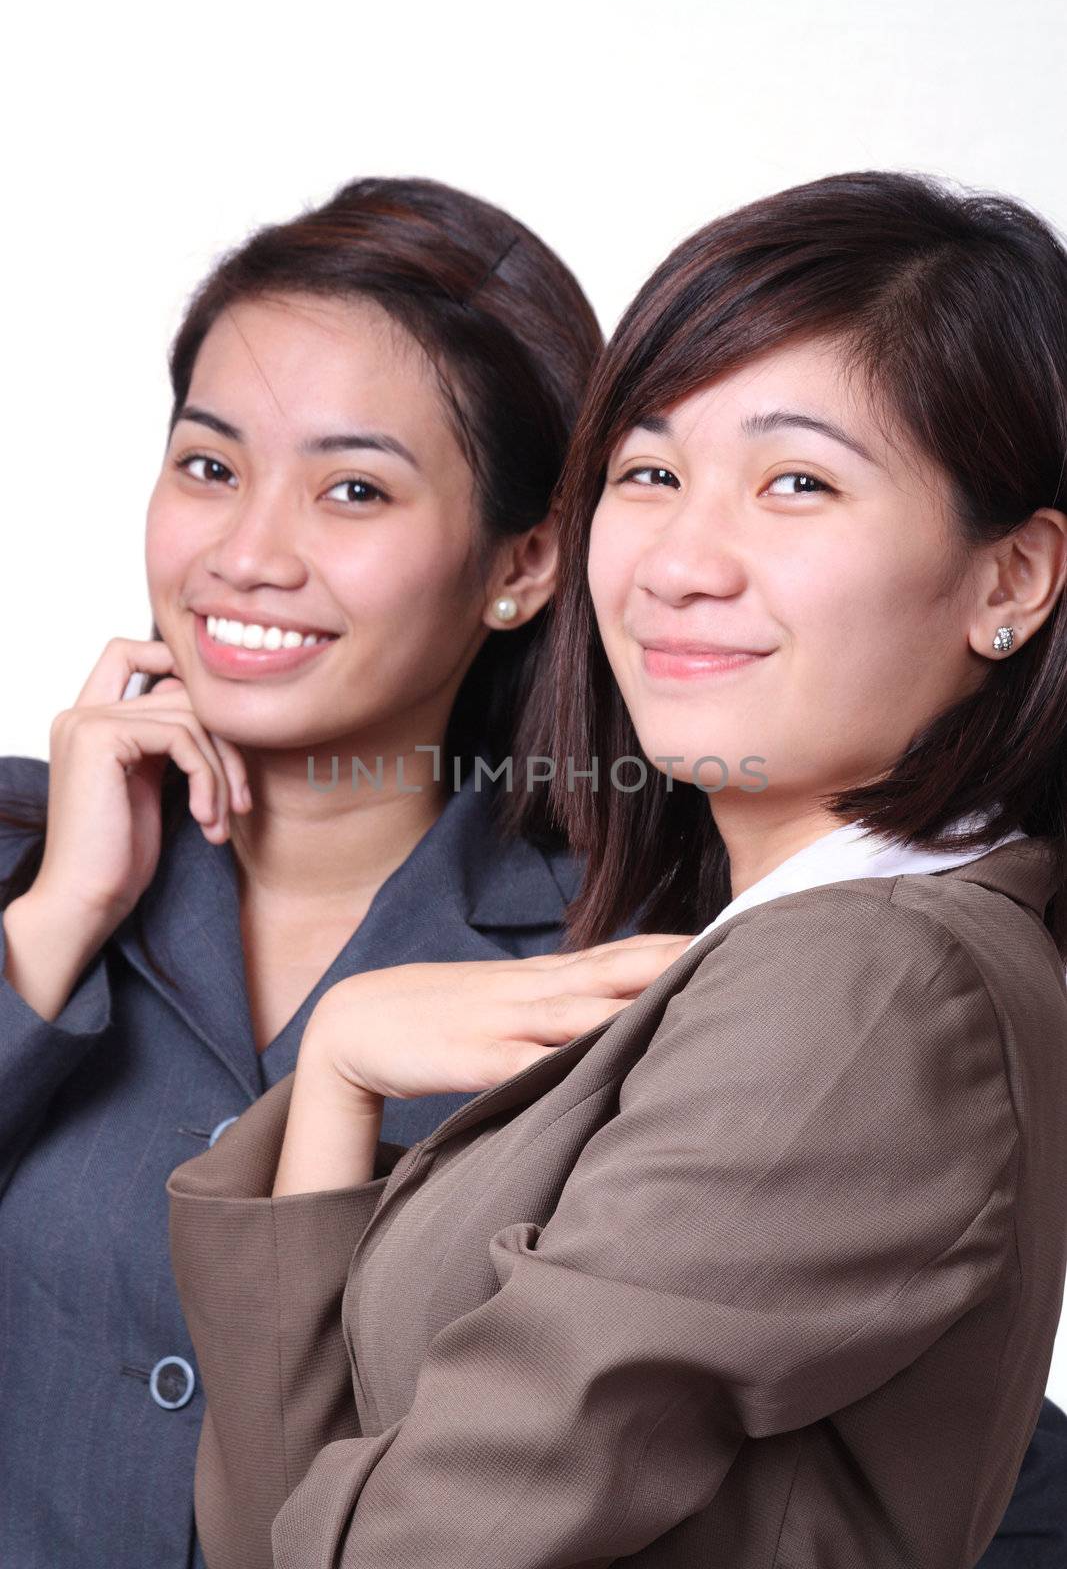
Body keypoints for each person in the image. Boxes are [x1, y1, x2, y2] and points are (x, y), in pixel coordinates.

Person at [166, 169, 1067, 1567]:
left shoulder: (875, 982)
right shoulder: (791, 950)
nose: (679, 562)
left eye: (798, 482)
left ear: (1010, 581)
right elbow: (298, 1519)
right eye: (648, 473)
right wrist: (335, 1070)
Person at [0, 175, 652, 1569]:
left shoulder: (626, 952)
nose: (245, 554)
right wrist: (54, 927)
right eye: (208, 465)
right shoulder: (21, 869)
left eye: (353, 489)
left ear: (524, 563)